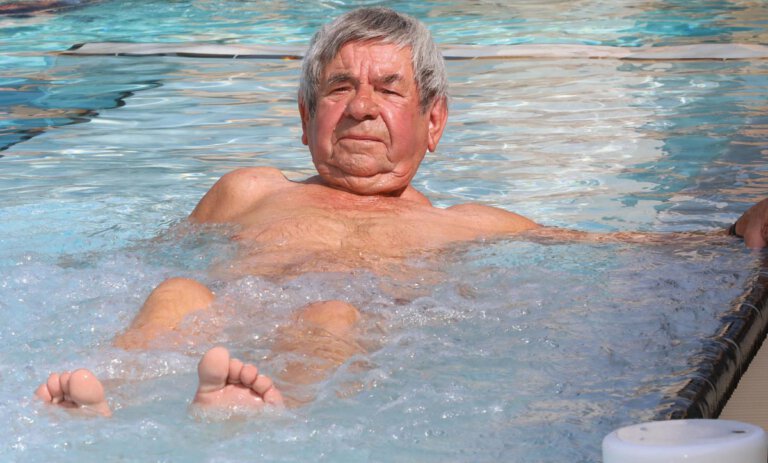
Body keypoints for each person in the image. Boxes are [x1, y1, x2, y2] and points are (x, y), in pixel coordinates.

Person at [33, 7, 768, 417]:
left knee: (331, 315)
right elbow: (138, 258)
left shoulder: (470, 224)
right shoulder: (249, 190)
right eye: (338, 88)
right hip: (220, 314)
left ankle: (260, 411)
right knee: (177, 293)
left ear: (435, 121)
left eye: (388, 89)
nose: (360, 107)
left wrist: (735, 230)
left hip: (332, 332)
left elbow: (619, 247)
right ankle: (109, 399)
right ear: (303, 118)